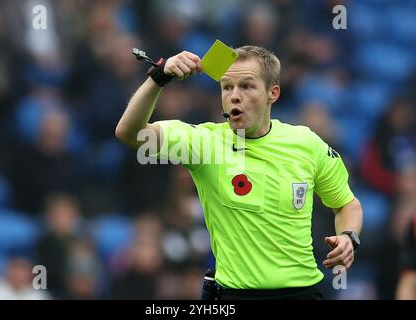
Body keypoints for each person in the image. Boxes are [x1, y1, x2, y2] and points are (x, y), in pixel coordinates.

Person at [115, 45, 363, 300]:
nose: (234, 96)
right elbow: (130, 133)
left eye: (246, 86)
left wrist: (348, 237)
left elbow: (346, 205)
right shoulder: (203, 144)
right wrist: (159, 78)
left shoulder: (306, 143)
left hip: (301, 294)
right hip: (234, 296)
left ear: (272, 93)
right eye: (226, 87)